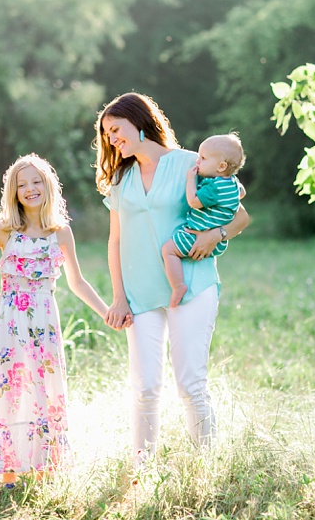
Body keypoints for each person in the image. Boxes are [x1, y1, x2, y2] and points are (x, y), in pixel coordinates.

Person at [93, 92, 251, 465]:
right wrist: (118, 297)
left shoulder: (189, 164)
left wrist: (217, 235)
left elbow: (239, 215)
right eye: (107, 135)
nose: (112, 139)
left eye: (116, 129)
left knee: (190, 384)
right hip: (140, 292)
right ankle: (141, 468)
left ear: (140, 122)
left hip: (192, 286)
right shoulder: (121, 178)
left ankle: (204, 469)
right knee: (145, 387)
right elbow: (115, 241)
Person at [0, 154, 111, 487]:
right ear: (14, 191)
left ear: (48, 185)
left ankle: (46, 469)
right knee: (11, 388)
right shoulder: (5, 230)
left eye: (36, 181)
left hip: (45, 322)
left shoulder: (60, 232)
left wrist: (106, 311)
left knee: (46, 389)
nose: (30, 188)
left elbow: (77, 283)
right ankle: (10, 471)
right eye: (22, 184)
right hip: (10, 321)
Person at [162, 133, 245, 308]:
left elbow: (193, 201)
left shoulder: (213, 188)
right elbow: (242, 194)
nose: (197, 161)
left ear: (221, 166)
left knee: (168, 250)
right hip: (218, 242)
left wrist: (190, 179)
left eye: (203, 158)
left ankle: (178, 286)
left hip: (196, 236)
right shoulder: (233, 183)